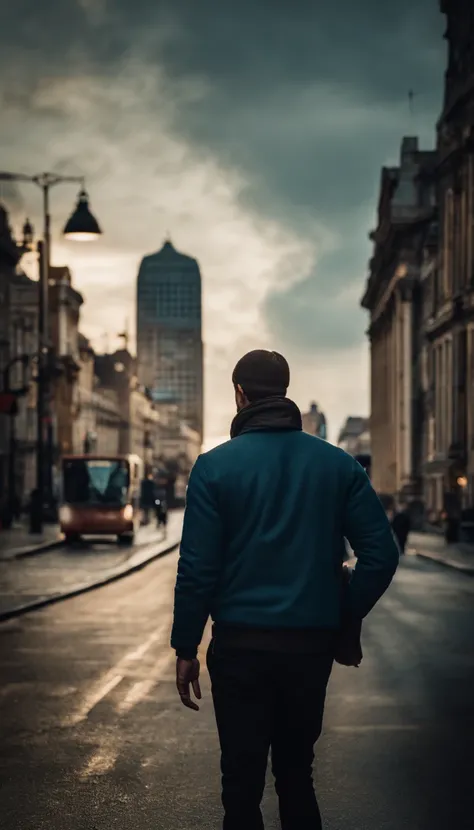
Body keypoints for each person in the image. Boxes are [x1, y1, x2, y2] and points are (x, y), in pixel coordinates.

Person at [171, 349, 399, 830]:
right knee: (297, 776)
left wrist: (186, 645)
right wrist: (342, 610)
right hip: (307, 649)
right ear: (286, 391)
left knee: (241, 783)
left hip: (239, 649)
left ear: (239, 393)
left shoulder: (213, 468)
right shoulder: (338, 466)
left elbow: (197, 568)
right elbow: (381, 555)